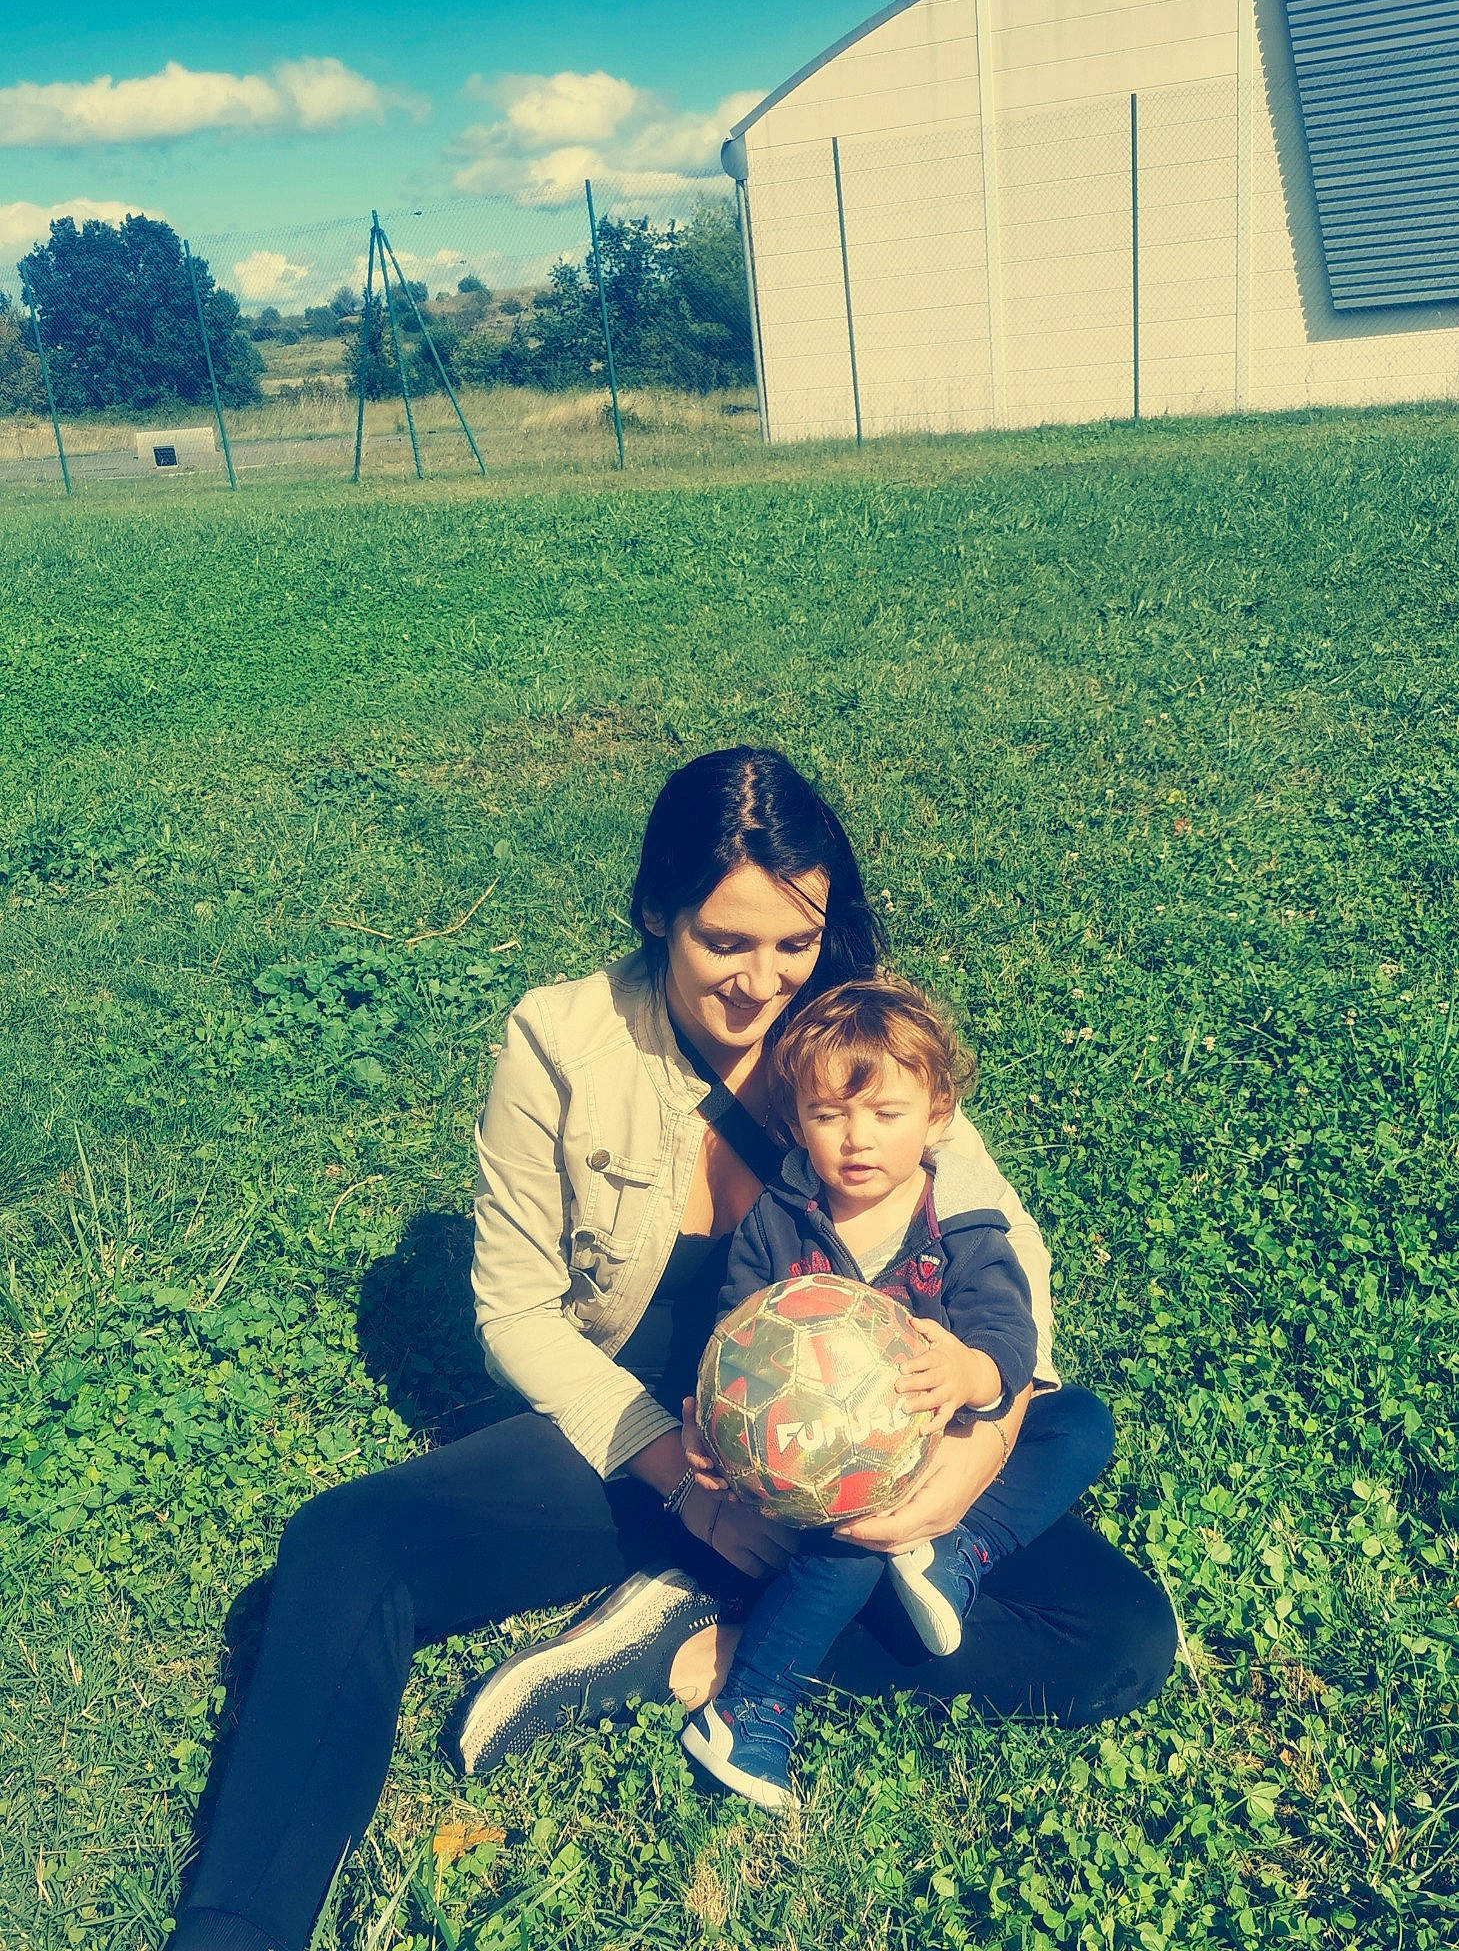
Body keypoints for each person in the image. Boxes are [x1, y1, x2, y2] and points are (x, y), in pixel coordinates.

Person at [165, 748, 1175, 1951]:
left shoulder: (858, 1033)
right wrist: (674, 1481)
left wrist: (974, 1448)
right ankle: (235, 1927)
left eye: (792, 943)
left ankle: (714, 1642)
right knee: (345, 1540)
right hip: (650, 1440)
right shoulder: (558, 1038)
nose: (762, 983)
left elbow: (1000, 1243)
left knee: (1115, 1637)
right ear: (657, 911)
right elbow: (515, 1311)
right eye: (724, 942)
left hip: (868, 1452)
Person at [679, 976, 1114, 1811]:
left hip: (946, 1450)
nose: (856, 1141)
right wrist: (712, 1414)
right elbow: (732, 1337)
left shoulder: (963, 1228)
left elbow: (1010, 1342)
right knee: (853, 1542)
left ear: (937, 1115)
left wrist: (969, 1375)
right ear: (795, 1123)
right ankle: (751, 1707)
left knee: (1082, 1424)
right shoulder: (778, 1221)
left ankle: (960, 1551)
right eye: (828, 1116)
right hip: (831, 1466)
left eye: (885, 1115)